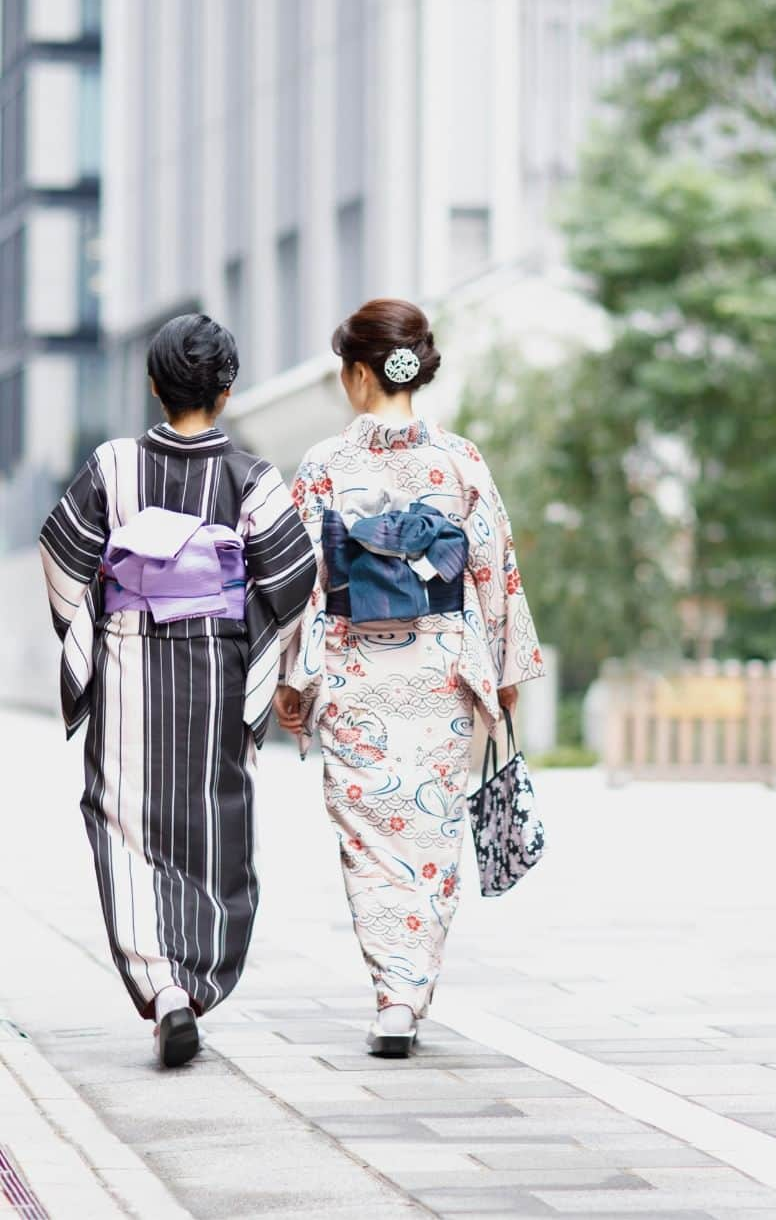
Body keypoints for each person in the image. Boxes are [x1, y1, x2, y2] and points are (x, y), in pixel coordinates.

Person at [39, 314, 317, 1068]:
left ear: (153, 383)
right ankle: (193, 984)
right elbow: (292, 579)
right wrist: (254, 639)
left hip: (132, 659)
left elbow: (64, 557)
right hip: (217, 668)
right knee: (213, 823)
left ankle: (160, 988)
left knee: (122, 820)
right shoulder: (251, 476)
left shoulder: (112, 465)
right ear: (226, 392)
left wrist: (97, 619)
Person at [275, 298, 544, 1057]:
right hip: (440, 669)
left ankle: (391, 992)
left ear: (360, 374)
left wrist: (292, 680)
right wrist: (504, 670)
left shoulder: (327, 466)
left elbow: (302, 580)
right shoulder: (459, 459)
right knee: (432, 831)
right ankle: (410, 993)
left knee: (368, 841)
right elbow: (493, 565)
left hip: (356, 670)